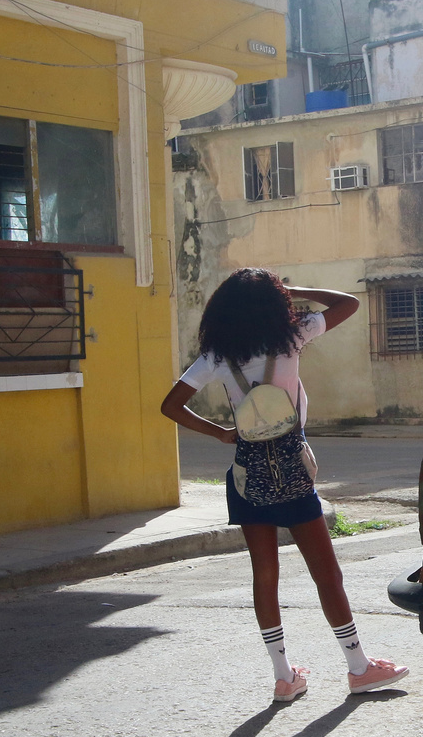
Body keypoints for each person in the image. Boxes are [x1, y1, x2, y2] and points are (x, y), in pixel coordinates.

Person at [161, 269, 409, 703]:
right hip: (292, 472)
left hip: (246, 474)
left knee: (265, 575)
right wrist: (296, 292)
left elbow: (170, 405)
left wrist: (221, 433)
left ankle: (283, 677)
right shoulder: (292, 337)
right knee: (326, 574)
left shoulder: (218, 354)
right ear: (274, 303)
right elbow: (347, 303)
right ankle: (358, 666)